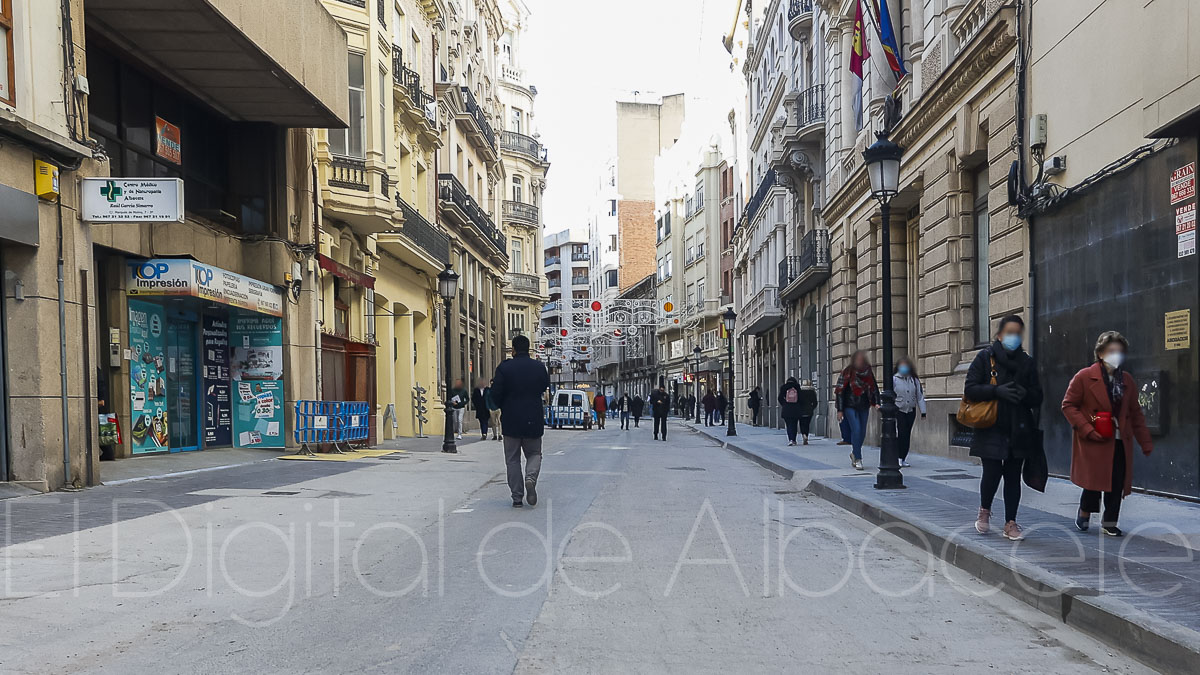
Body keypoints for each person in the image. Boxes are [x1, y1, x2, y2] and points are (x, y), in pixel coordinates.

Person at [1062, 331, 1153, 537]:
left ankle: (1110, 522)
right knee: (1094, 480)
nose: (1116, 355)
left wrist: (1145, 441)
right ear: (1101, 353)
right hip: (1095, 436)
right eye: (1112, 351)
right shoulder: (1085, 376)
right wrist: (1086, 428)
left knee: (1116, 480)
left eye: (1120, 351)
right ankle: (1085, 511)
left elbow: (1135, 412)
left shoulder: (1127, 379)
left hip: (1120, 438)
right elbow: (1068, 405)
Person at [965, 315, 1043, 541]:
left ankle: (1011, 522)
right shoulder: (985, 357)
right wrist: (996, 391)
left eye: (1017, 333)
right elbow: (970, 388)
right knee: (991, 472)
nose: (1013, 337)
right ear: (999, 335)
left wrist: (1025, 395)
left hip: (1018, 428)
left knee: (1012, 475)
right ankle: (984, 511)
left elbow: (1038, 396)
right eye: (1009, 332)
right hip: (991, 425)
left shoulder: (1026, 362)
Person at [490, 335, 551, 508]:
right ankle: (531, 476)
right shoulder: (539, 367)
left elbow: (495, 393)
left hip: (511, 419)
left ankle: (517, 497)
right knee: (534, 453)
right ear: (528, 348)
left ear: (513, 350)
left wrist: (503, 404)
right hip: (533, 417)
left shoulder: (504, 368)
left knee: (512, 459)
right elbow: (543, 387)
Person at [835, 350, 880, 470]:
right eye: (858, 359)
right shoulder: (848, 372)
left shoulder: (868, 372)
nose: (860, 361)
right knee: (856, 429)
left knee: (862, 432)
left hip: (864, 405)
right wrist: (840, 409)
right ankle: (858, 458)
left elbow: (874, 387)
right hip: (850, 405)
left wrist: (877, 403)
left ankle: (854, 453)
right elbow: (840, 391)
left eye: (862, 359)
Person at [893, 356, 926, 467]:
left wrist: (923, 411)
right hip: (899, 409)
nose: (904, 368)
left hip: (911, 410)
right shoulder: (894, 379)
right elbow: (889, 395)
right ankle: (898, 456)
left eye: (906, 365)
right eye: (902, 365)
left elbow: (919, 396)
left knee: (907, 434)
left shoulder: (914, 380)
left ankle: (903, 457)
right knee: (901, 433)